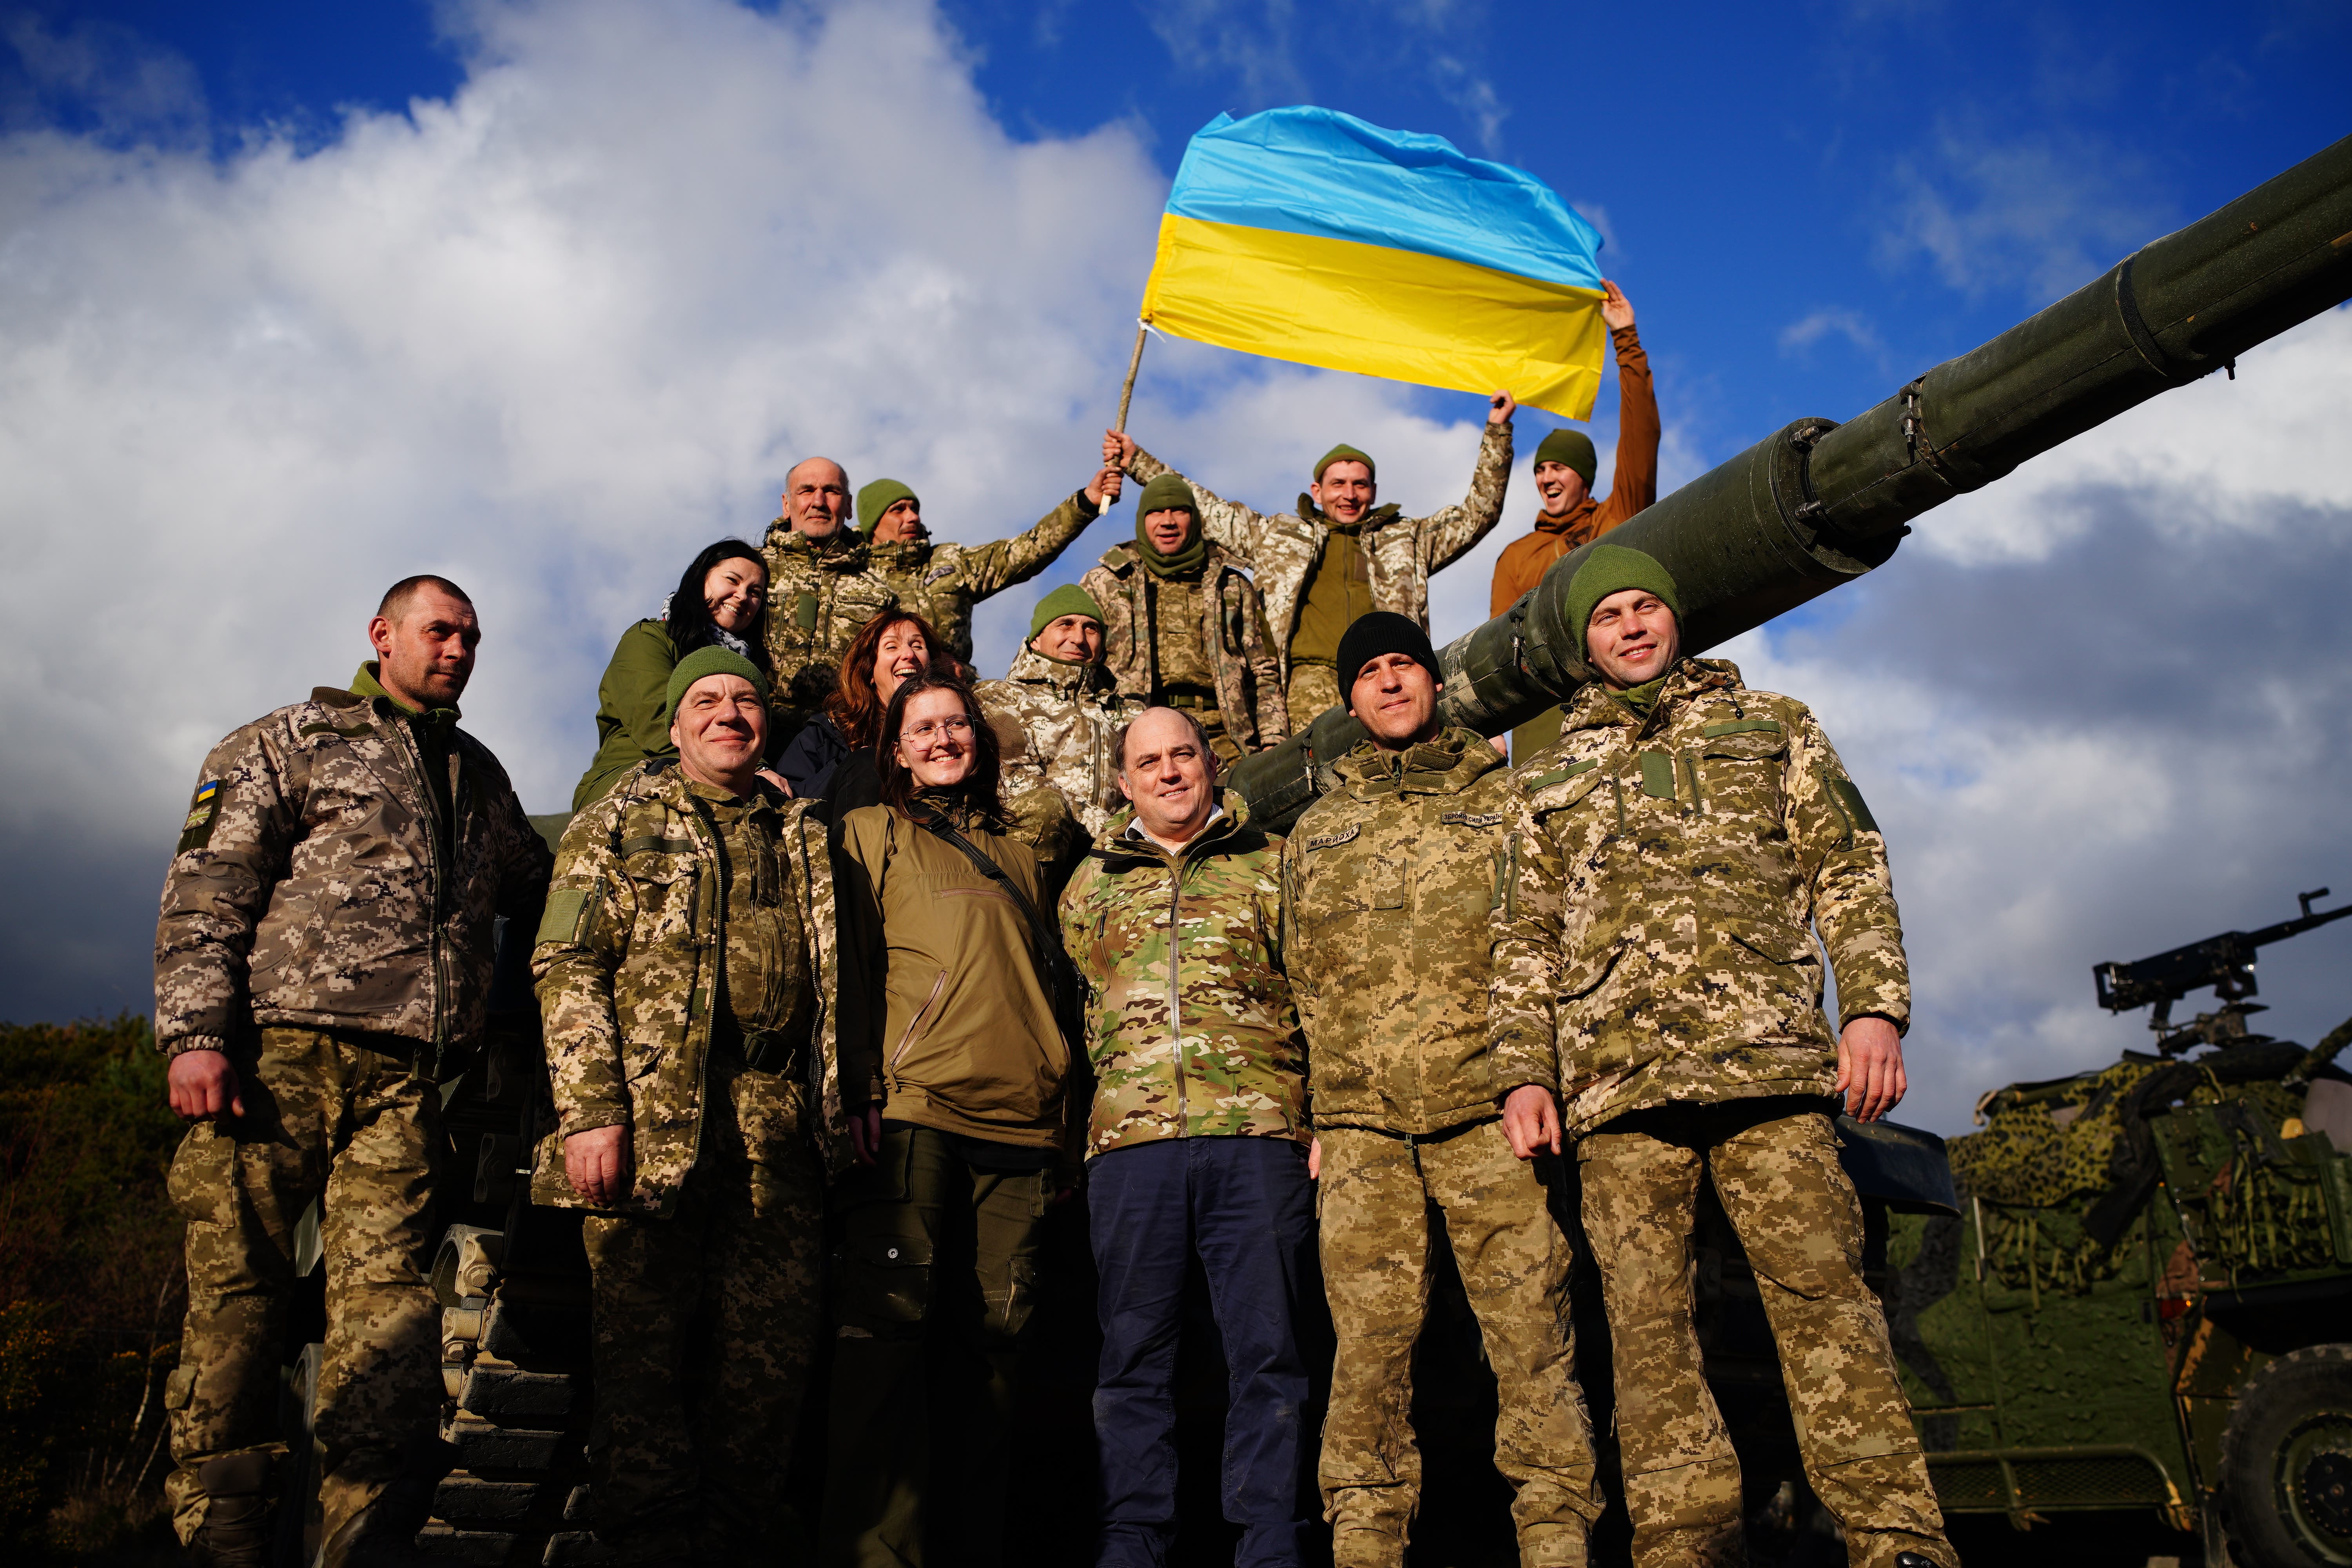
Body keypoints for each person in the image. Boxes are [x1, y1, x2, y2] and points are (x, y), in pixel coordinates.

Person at [1491, 546, 1954, 1568]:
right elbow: (1522, 938)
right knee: (1651, 1339)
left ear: (1675, 616)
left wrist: (1875, 1011)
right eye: (1607, 615)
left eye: (1645, 605)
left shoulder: (1775, 726)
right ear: (1586, 641)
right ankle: (1684, 1551)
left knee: (1827, 1306)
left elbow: (1850, 867)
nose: (1631, 626)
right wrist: (1526, 1070)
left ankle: (1897, 1543)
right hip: (1619, 1090)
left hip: (1769, 1067)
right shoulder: (1550, 776)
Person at [153, 576, 553, 1566]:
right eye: (439, 630)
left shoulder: (480, 776)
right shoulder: (292, 738)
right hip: (276, 1058)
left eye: (470, 636)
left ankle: (361, 1547)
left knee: (388, 1329)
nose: (457, 648)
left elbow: (547, 885)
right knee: (238, 1302)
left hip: (407, 1087)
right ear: (383, 636)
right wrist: (196, 1031)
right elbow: (211, 884)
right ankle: (223, 1540)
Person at [1280, 612, 1600, 1568]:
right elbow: (1300, 978)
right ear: (1349, 698)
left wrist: (1529, 1075)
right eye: (1369, 671)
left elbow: (1540, 943)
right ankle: (1366, 1543)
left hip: (1487, 1113)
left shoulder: (1503, 802)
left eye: (1404, 666)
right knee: (1369, 1358)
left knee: (1533, 1340)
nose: (1388, 683)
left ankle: (1557, 1541)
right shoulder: (1318, 828)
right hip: (1363, 1131)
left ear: (1433, 683)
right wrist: (1318, 1117)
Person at [532, 646, 842, 1564]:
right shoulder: (617, 821)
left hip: (777, 1128)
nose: (730, 713)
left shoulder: (802, 833)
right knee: (642, 1378)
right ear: (674, 724)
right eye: (706, 699)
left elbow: (839, 982)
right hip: (653, 1122)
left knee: (767, 1375)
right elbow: (567, 963)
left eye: (746, 699)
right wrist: (591, 1111)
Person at [825, 671, 1082, 1568]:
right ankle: (877, 1556)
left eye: (956, 725)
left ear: (981, 738)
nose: (942, 739)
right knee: (886, 1349)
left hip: (1021, 1124)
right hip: (913, 1114)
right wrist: (856, 1084)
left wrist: (1067, 1108)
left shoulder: (1026, 845)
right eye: (922, 728)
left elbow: (1061, 978)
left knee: (998, 1355)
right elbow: (848, 969)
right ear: (895, 748)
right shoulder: (867, 834)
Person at [1058, 707, 1316, 1568]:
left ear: (1213, 765)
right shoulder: (1088, 885)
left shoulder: (1273, 864)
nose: (1168, 773)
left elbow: (1314, 998)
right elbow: (1077, 1012)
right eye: (1148, 762)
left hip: (1258, 1137)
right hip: (1133, 1152)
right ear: (1124, 781)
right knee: (1132, 1359)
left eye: (1183, 755)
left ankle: (1270, 1543)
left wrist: (1313, 1120)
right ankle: (1133, 1542)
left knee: (1269, 1354)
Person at [1105, 392, 1514, 722]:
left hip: (1387, 680)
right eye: (1338, 484)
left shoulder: (1407, 538)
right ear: (1317, 491)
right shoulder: (1278, 535)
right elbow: (1206, 508)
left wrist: (1498, 432)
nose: (1349, 495)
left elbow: (1479, 514)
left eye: (1359, 485)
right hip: (1304, 683)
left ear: (1373, 490)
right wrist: (1137, 460)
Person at [1487, 282, 1658, 761]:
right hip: (1546, 718)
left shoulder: (1619, 516)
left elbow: (1641, 434)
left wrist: (1626, 339)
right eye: (1540, 469)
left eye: (1558, 467)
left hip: (1624, 695)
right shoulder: (1517, 556)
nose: (1546, 477)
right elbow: (1499, 655)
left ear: (1583, 476)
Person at [1080, 472, 1286, 766]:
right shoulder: (1106, 582)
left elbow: (1264, 673)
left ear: (1195, 518)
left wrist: (1273, 744)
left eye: (1179, 511)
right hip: (1139, 733)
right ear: (1142, 520)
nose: (1168, 521)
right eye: (1156, 513)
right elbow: (1078, 664)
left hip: (1226, 737)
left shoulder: (1232, 585)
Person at [573, 539, 777, 810]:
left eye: (755, 592)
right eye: (732, 580)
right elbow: (656, 720)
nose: (742, 596)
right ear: (701, 579)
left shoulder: (752, 670)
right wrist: (756, 768)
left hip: (727, 778)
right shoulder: (649, 639)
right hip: (633, 775)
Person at [857, 466, 1124, 668]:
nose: (912, 517)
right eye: (898, 510)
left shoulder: (950, 562)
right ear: (873, 525)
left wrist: (1086, 502)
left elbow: (1024, 552)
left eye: (914, 508)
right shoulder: (855, 574)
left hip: (955, 695)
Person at [974, 584, 1135, 838]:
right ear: (1036, 640)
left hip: (1120, 849)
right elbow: (1010, 777)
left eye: (1091, 629)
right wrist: (1103, 826)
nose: (1079, 639)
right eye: (1066, 625)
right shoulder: (1001, 695)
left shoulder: (1129, 713)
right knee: (1045, 808)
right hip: (1035, 843)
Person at [762, 456, 901, 737]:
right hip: (751, 733)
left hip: (842, 742)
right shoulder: (748, 571)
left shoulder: (880, 592)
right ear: (787, 504)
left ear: (849, 506)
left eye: (831, 491)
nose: (819, 501)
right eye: (806, 491)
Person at [778, 608, 942, 810]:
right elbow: (787, 804)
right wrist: (855, 770)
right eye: (892, 647)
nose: (909, 654)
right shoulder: (827, 734)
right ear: (869, 670)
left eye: (918, 645)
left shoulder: (954, 732)